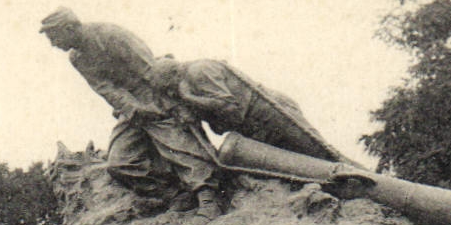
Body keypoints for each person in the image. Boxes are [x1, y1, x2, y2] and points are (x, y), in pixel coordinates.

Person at [39, 7, 223, 220]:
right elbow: (105, 88)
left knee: (180, 146)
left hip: (153, 91)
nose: (53, 44)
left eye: (54, 36)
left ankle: (209, 200)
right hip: (129, 107)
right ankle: (177, 195)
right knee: (120, 163)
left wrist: (170, 103)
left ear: (69, 28)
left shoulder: (109, 34)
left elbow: (149, 68)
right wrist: (133, 109)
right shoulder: (77, 58)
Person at [146, 56, 350, 163]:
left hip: (271, 115)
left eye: (170, 90)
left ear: (173, 77)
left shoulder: (199, 71)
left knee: (323, 155)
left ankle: (377, 188)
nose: (173, 95)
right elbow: (220, 126)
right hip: (257, 126)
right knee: (304, 166)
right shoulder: (190, 83)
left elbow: (229, 106)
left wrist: (189, 99)